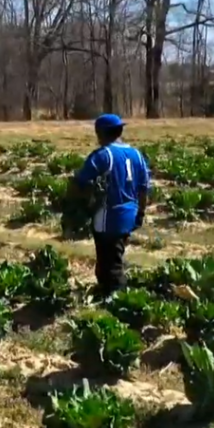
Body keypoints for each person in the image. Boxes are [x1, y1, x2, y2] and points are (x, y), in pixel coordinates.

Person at [72, 113, 151, 298]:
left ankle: (116, 297)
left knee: (110, 261)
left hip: (108, 217)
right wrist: (141, 212)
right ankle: (106, 290)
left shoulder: (102, 155)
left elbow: (80, 181)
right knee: (114, 254)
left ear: (101, 133)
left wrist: (77, 204)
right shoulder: (137, 154)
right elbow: (144, 188)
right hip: (130, 214)